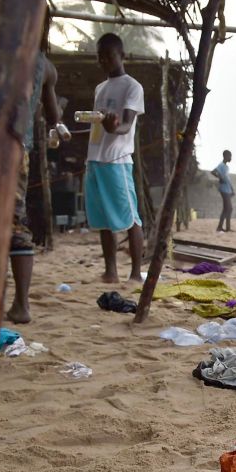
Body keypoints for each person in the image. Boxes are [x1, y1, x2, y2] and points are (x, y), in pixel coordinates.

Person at [7, 8, 63, 324]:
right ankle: (21, 305)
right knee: (14, 224)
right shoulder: (45, 66)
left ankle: (19, 305)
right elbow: (55, 117)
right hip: (17, 149)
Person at [85, 32, 145, 283]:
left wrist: (114, 127)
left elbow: (127, 124)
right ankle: (111, 271)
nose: (104, 61)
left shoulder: (133, 86)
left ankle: (134, 273)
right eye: (100, 57)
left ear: (122, 56)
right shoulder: (100, 88)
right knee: (103, 220)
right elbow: (99, 125)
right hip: (95, 159)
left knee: (130, 218)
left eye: (108, 56)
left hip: (117, 160)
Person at [211, 150, 234, 232]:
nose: (231, 158)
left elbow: (228, 179)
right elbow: (213, 172)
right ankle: (221, 227)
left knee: (227, 208)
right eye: (229, 156)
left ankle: (226, 227)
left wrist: (232, 189)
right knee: (229, 208)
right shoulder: (221, 165)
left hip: (228, 189)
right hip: (223, 189)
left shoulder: (227, 167)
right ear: (225, 156)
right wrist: (220, 177)